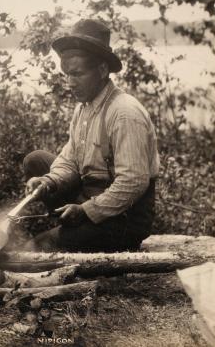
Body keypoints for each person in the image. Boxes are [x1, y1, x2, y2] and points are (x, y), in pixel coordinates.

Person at [21, 19, 159, 252]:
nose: (69, 83)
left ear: (103, 70)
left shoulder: (124, 113)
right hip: (92, 194)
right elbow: (70, 159)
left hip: (125, 218)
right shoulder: (84, 107)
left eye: (77, 74)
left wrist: (86, 211)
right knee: (36, 160)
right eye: (66, 75)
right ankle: (73, 229)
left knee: (36, 248)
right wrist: (47, 181)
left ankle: (78, 234)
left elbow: (133, 182)